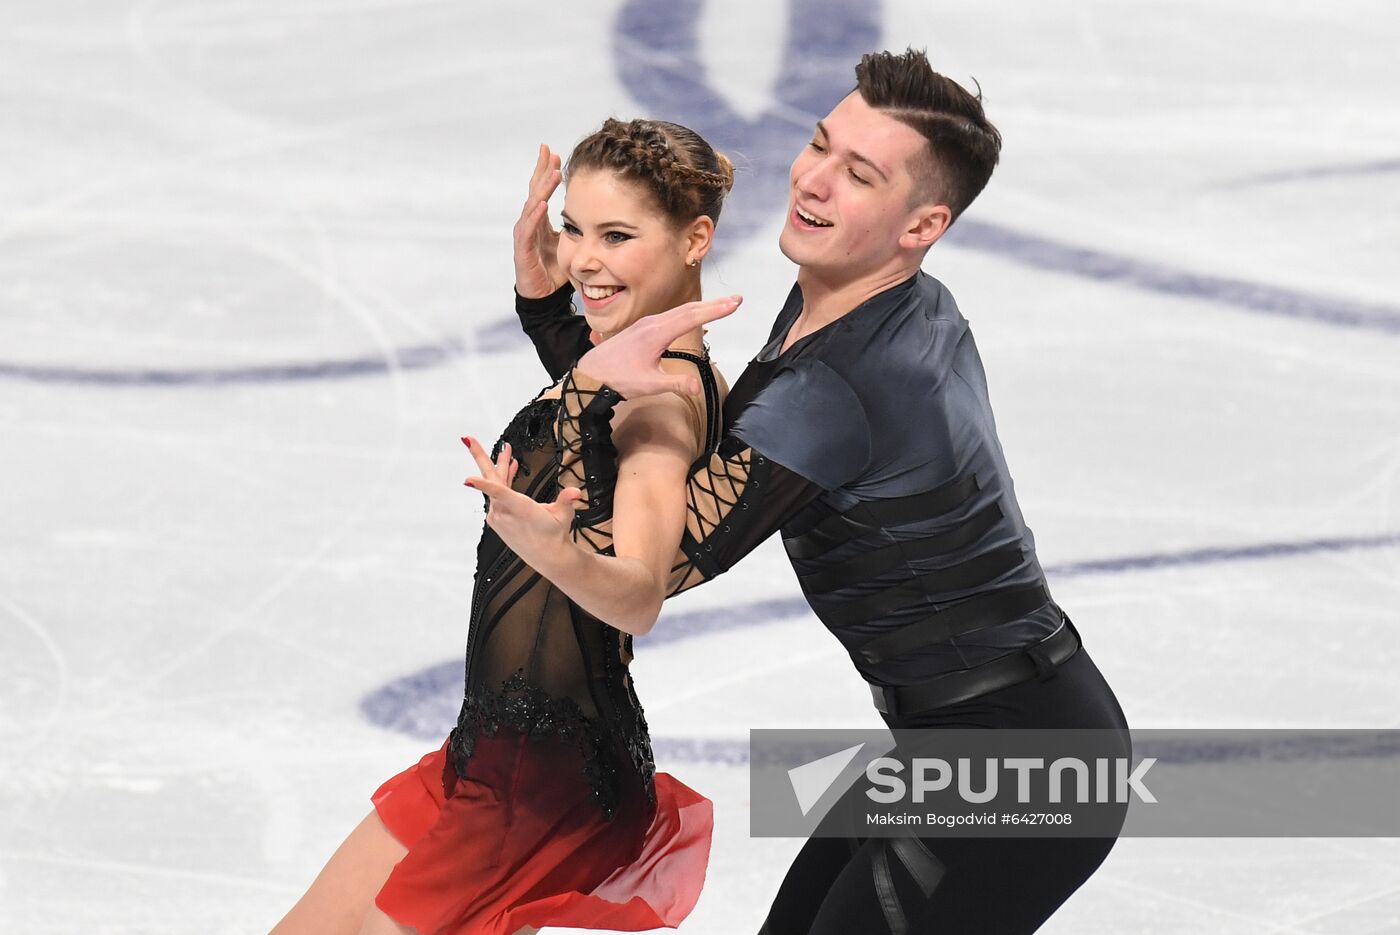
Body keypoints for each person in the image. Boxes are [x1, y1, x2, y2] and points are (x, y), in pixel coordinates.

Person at [511, 50, 1131, 933]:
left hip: (1012, 760)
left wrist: (564, 412)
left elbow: (653, 565)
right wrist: (560, 323)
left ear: (922, 223)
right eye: (820, 144)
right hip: (986, 735)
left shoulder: (835, 385)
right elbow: (709, 442)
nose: (815, 179)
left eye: (860, 174)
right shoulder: (877, 302)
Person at [269, 118, 735, 935]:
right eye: (574, 227)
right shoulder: (622, 358)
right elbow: (584, 423)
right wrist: (541, 300)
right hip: (494, 751)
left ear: (695, 238)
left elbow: (637, 597)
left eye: (618, 235)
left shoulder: (661, 405)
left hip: (536, 791)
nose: (586, 258)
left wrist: (554, 550)